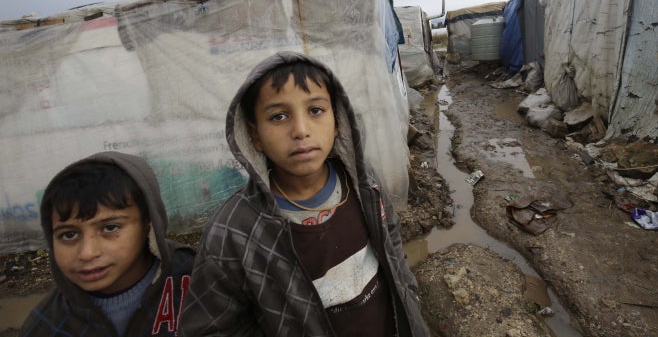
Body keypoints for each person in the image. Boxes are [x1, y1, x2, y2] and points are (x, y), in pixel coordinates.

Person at [179, 51, 428, 336]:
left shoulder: (362, 181)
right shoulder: (233, 232)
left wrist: (408, 292)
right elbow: (211, 327)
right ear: (255, 136)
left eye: (315, 111)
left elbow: (391, 235)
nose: (300, 130)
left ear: (337, 121)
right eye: (279, 116)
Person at [21, 151, 196, 336]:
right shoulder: (46, 325)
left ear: (149, 223)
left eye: (110, 228)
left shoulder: (203, 279)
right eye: (69, 234)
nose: (87, 253)